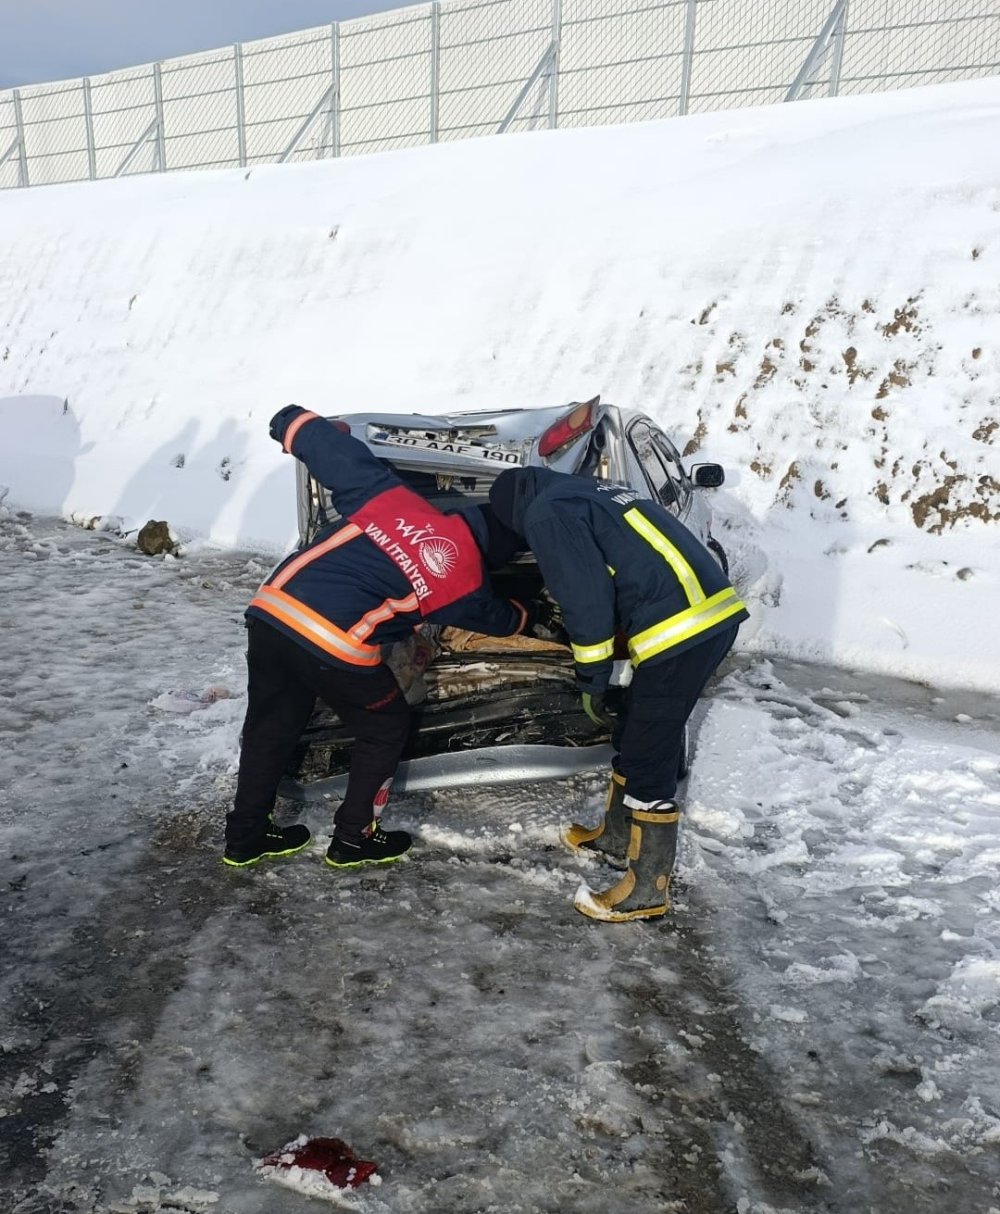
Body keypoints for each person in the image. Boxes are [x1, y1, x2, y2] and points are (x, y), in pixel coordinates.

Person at [224, 405, 550, 871]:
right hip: (334, 643)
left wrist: (291, 423)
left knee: (269, 728)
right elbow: (502, 619)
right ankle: (354, 838)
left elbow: (331, 451)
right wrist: (531, 611)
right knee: (384, 726)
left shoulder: (395, 500)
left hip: (272, 613)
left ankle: (245, 837)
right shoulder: (463, 579)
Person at [488, 466, 748, 922]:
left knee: (650, 746)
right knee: (635, 726)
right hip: (706, 613)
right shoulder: (586, 492)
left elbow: (586, 601)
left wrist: (592, 677)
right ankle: (614, 835)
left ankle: (648, 890)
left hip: (678, 629)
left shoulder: (547, 514)